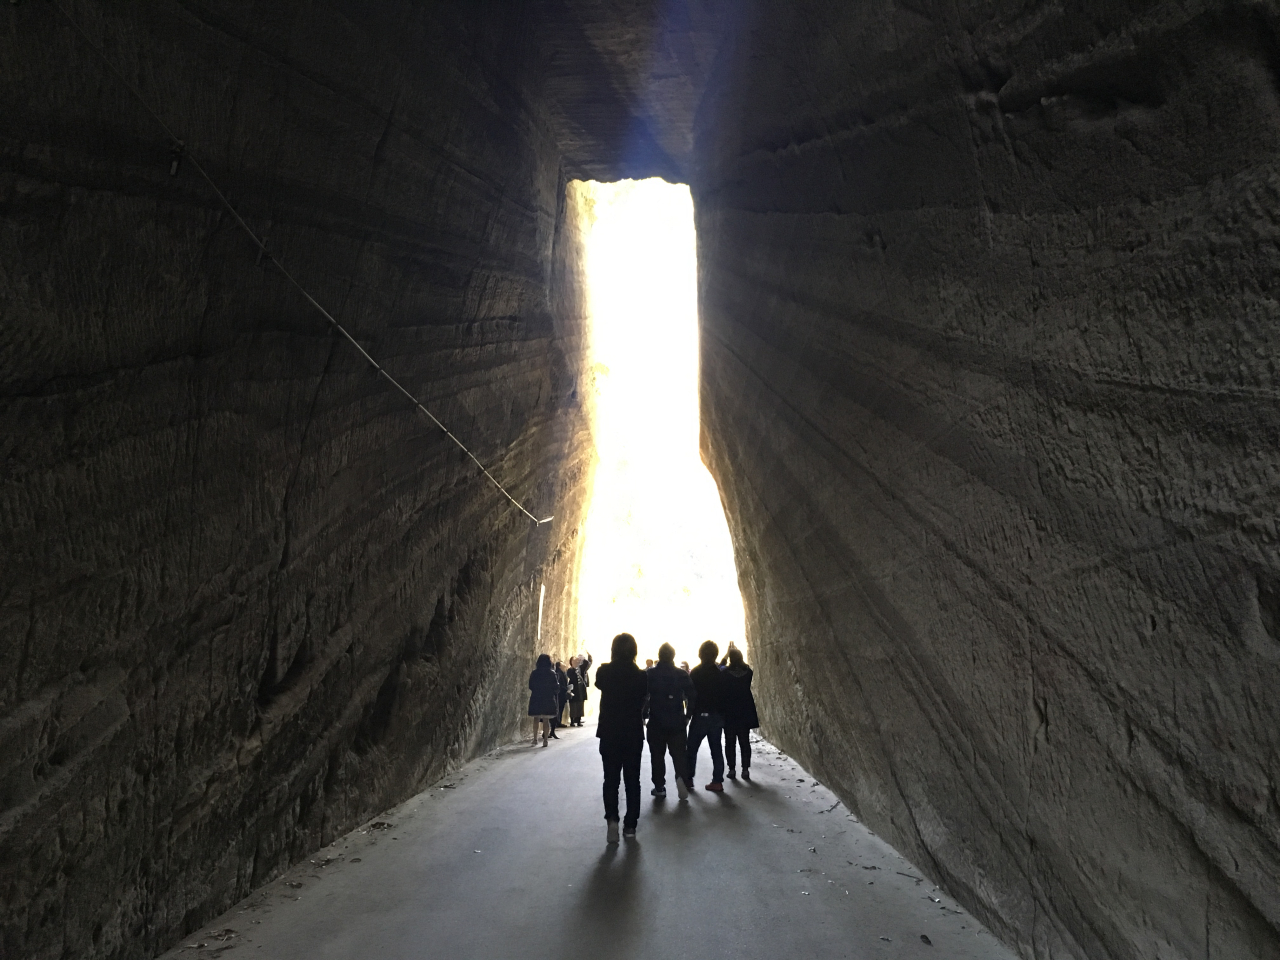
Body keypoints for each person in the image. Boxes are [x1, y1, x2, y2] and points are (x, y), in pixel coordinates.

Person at [594, 633, 648, 841]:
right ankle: (630, 825)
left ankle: (612, 820)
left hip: (609, 731)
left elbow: (599, 685)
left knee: (611, 779)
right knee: (632, 780)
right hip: (633, 732)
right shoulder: (641, 675)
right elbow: (643, 696)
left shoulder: (604, 671)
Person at [645, 642, 694, 800]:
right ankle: (681, 778)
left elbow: (643, 696)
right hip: (677, 720)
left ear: (659, 656)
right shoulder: (681, 674)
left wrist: (643, 715)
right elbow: (692, 695)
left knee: (657, 756)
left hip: (656, 720)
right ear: (673, 656)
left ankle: (659, 787)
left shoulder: (650, 674)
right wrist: (688, 715)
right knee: (679, 754)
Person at [686, 640, 726, 792]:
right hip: (715, 717)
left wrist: (688, 715)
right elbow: (724, 697)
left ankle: (689, 779)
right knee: (716, 750)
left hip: (699, 716)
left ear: (700, 654)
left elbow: (691, 696)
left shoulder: (695, 672)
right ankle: (717, 781)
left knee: (691, 749)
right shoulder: (720, 674)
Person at [720, 644, 759, 780]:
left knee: (730, 742)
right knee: (744, 741)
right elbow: (746, 669)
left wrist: (725, 657)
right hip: (745, 709)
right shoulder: (748, 672)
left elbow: (720, 668)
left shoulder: (725, 673)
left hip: (729, 710)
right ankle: (745, 769)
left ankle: (731, 769)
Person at [528, 654, 559, 747]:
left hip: (536, 697)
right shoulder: (552, 673)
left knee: (536, 719)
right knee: (546, 720)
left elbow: (531, 685)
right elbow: (556, 687)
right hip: (548, 698)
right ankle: (545, 740)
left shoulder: (534, 673)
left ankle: (535, 739)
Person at [569, 653, 593, 726]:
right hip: (574, 689)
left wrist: (587, 657)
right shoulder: (570, 670)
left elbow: (587, 664)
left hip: (580, 689)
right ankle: (572, 720)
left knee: (580, 705)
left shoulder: (581, 668)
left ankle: (578, 720)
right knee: (573, 705)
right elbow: (571, 677)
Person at [550, 660, 570, 738]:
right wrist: (565, 689)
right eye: (562, 664)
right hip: (559, 694)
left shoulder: (562, 672)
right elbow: (558, 685)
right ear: (559, 666)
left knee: (561, 709)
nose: (564, 665)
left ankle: (559, 722)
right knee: (558, 709)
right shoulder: (558, 673)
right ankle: (557, 723)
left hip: (562, 693)